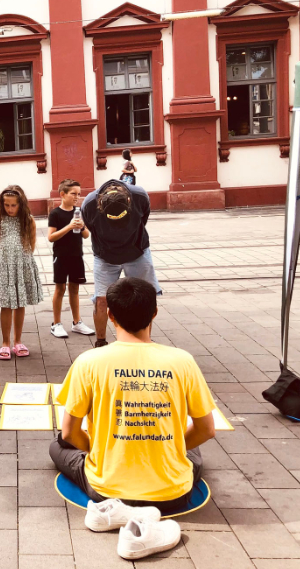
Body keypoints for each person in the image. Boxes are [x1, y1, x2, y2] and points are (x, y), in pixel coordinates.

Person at [49, 277, 216, 558]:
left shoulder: (89, 362)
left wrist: (98, 450)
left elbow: (68, 433)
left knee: (57, 446)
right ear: (154, 313)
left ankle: (115, 510)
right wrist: (174, 446)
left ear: (110, 315)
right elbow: (206, 429)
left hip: (104, 488)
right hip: (172, 494)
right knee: (193, 449)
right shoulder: (182, 360)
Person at [82, 179, 161, 348]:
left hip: (137, 252)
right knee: (101, 299)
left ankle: (145, 341)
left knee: (145, 297)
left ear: (129, 201)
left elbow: (144, 218)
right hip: (105, 256)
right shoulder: (89, 204)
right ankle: (101, 342)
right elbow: (90, 226)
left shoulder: (139, 196)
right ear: (100, 206)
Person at [0, 185, 43, 360]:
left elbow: (32, 244)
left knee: (21, 303)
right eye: (7, 205)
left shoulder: (28, 220)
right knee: (6, 305)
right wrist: (6, 261)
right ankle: (5, 343)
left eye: (14, 205)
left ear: (21, 204)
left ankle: (18, 341)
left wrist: (21, 260)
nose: (10, 209)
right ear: (2, 204)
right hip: (5, 266)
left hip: (22, 265)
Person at [48, 179, 95, 339]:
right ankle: (56, 324)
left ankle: (77, 322)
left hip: (77, 255)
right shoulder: (55, 213)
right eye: (73, 193)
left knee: (74, 288)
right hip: (61, 256)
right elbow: (51, 237)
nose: (77, 197)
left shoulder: (79, 211)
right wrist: (69, 226)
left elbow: (87, 235)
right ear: (63, 194)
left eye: (79, 194)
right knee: (60, 288)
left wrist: (81, 226)